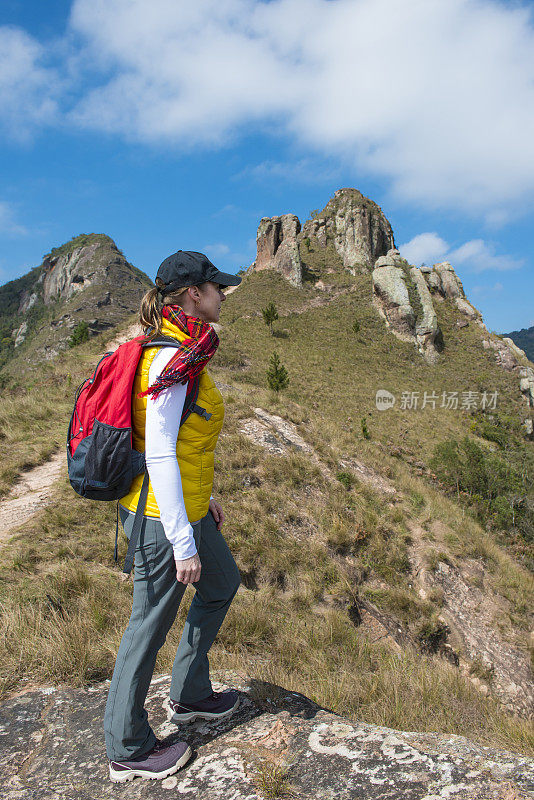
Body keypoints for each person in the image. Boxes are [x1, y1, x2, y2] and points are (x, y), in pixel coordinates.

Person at [104, 250, 242, 783]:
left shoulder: (188, 350)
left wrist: (202, 499)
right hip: (160, 520)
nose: (222, 294)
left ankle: (187, 693)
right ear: (191, 294)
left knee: (222, 583)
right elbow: (158, 451)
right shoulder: (170, 358)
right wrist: (183, 542)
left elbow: (183, 443)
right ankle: (127, 745)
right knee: (149, 623)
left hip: (184, 505)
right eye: (215, 287)